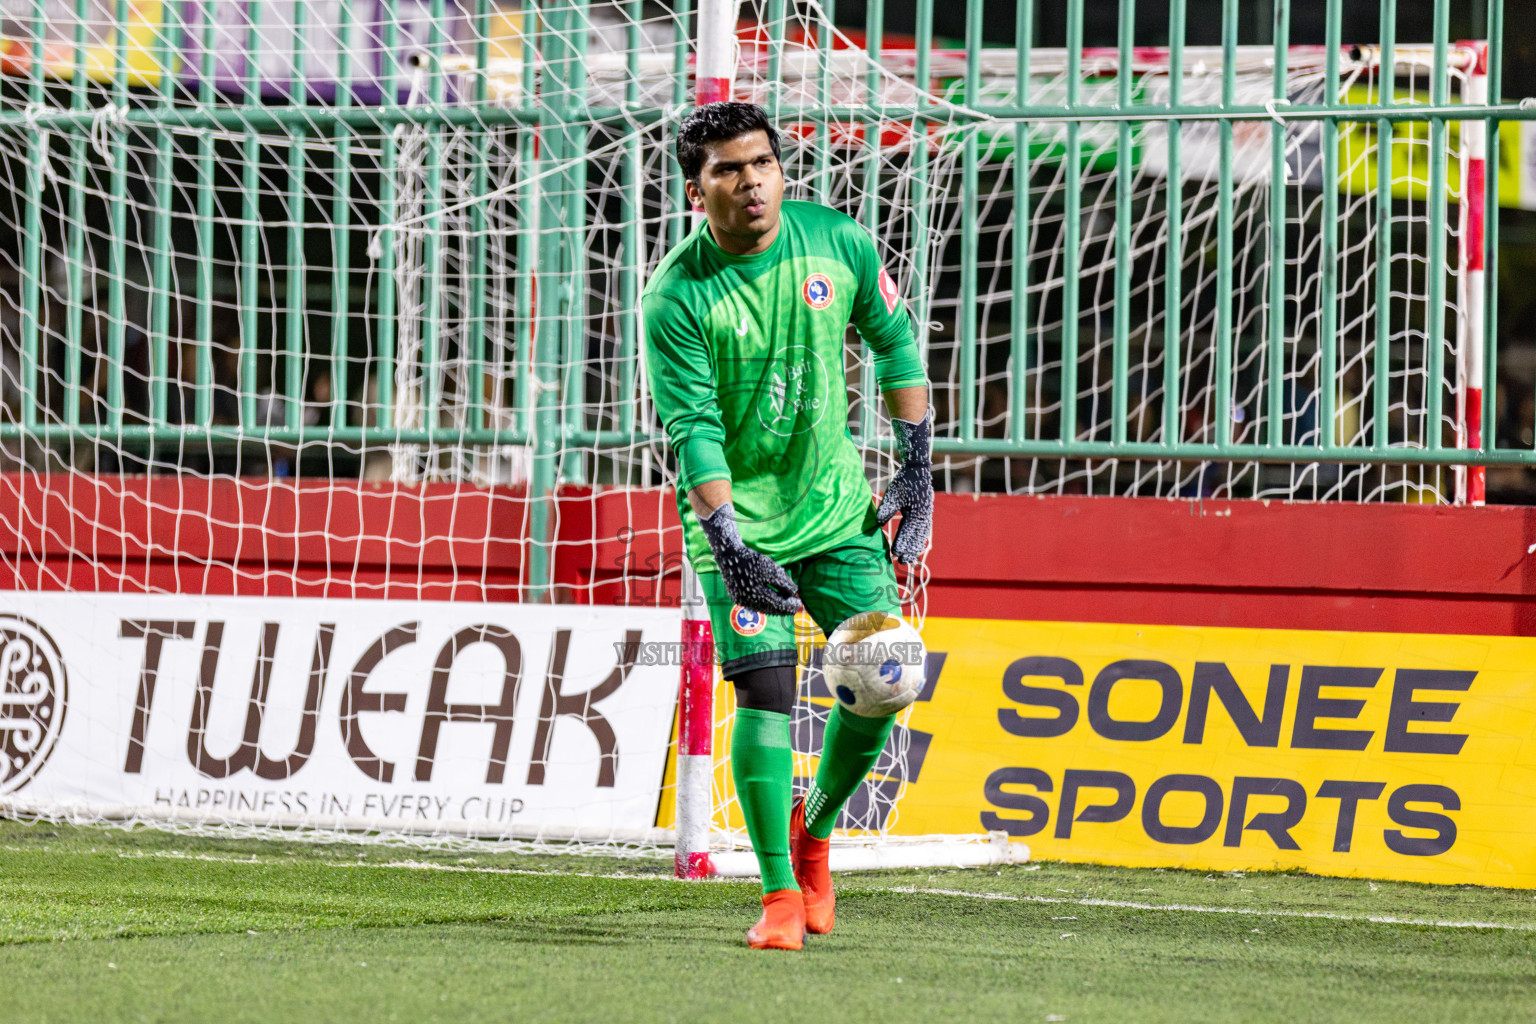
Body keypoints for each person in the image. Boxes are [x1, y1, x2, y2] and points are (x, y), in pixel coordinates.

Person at [642, 102, 933, 951]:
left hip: (838, 511)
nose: (752, 182)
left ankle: (817, 831)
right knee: (765, 695)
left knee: (886, 676)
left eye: (762, 162)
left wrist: (915, 470)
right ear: (699, 192)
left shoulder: (836, 241)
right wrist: (728, 540)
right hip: (740, 521)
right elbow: (693, 430)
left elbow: (897, 347)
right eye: (728, 171)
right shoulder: (676, 297)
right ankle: (776, 896)